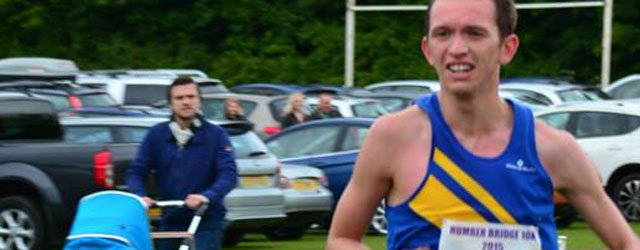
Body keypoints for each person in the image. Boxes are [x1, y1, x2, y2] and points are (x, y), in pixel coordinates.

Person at [326, 0, 640, 249]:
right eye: (443, 33)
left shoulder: (554, 148)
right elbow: (341, 239)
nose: (457, 48)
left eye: (474, 33)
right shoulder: (392, 136)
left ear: (507, 48)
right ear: (427, 49)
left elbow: (626, 242)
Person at [126, 77, 238, 250]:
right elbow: (136, 172)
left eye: (191, 97)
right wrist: (140, 196)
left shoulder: (216, 135)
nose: (186, 102)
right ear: (171, 103)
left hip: (206, 219)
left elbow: (228, 174)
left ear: (199, 100)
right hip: (170, 218)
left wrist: (207, 196)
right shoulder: (157, 135)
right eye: (179, 98)